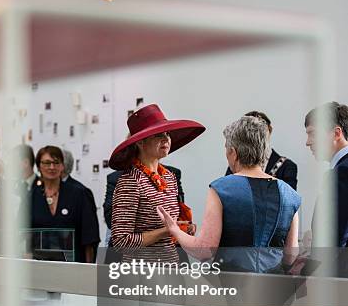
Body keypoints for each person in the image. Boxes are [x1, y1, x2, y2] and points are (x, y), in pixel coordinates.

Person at [158, 116, 301, 274]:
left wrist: (174, 230)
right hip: (275, 288)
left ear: (233, 152)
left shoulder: (222, 188)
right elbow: (290, 255)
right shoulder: (289, 193)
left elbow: (205, 251)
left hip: (233, 286)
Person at [109, 104, 205, 263]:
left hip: (171, 267)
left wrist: (181, 228)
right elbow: (121, 242)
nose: (166, 138)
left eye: (167, 133)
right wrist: (167, 231)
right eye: (157, 135)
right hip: (141, 274)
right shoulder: (130, 181)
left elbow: (171, 226)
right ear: (140, 142)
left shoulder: (169, 177)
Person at [29, 146, 100, 262]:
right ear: (39, 166)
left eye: (56, 162)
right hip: (39, 267)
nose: (52, 167)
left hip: (73, 266)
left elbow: (89, 238)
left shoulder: (79, 194)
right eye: (47, 163)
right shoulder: (31, 196)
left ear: (62, 166)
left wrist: (88, 271)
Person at [305, 101, 348, 248]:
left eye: (313, 134)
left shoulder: (343, 172)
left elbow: (336, 238)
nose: (308, 142)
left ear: (336, 133)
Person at [225, 111, 298, 190]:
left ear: (269, 130)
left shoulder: (287, 166)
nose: (255, 135)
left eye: (260, 130)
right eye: (247, 131)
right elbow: (225, 192)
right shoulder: (235, 163)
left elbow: (289, 200)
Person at [62, 149, 100, 260]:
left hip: (75, 260)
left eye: (54, 162)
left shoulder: (81, 192)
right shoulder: (42, 191)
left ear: (62, 166)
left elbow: (90, 236)